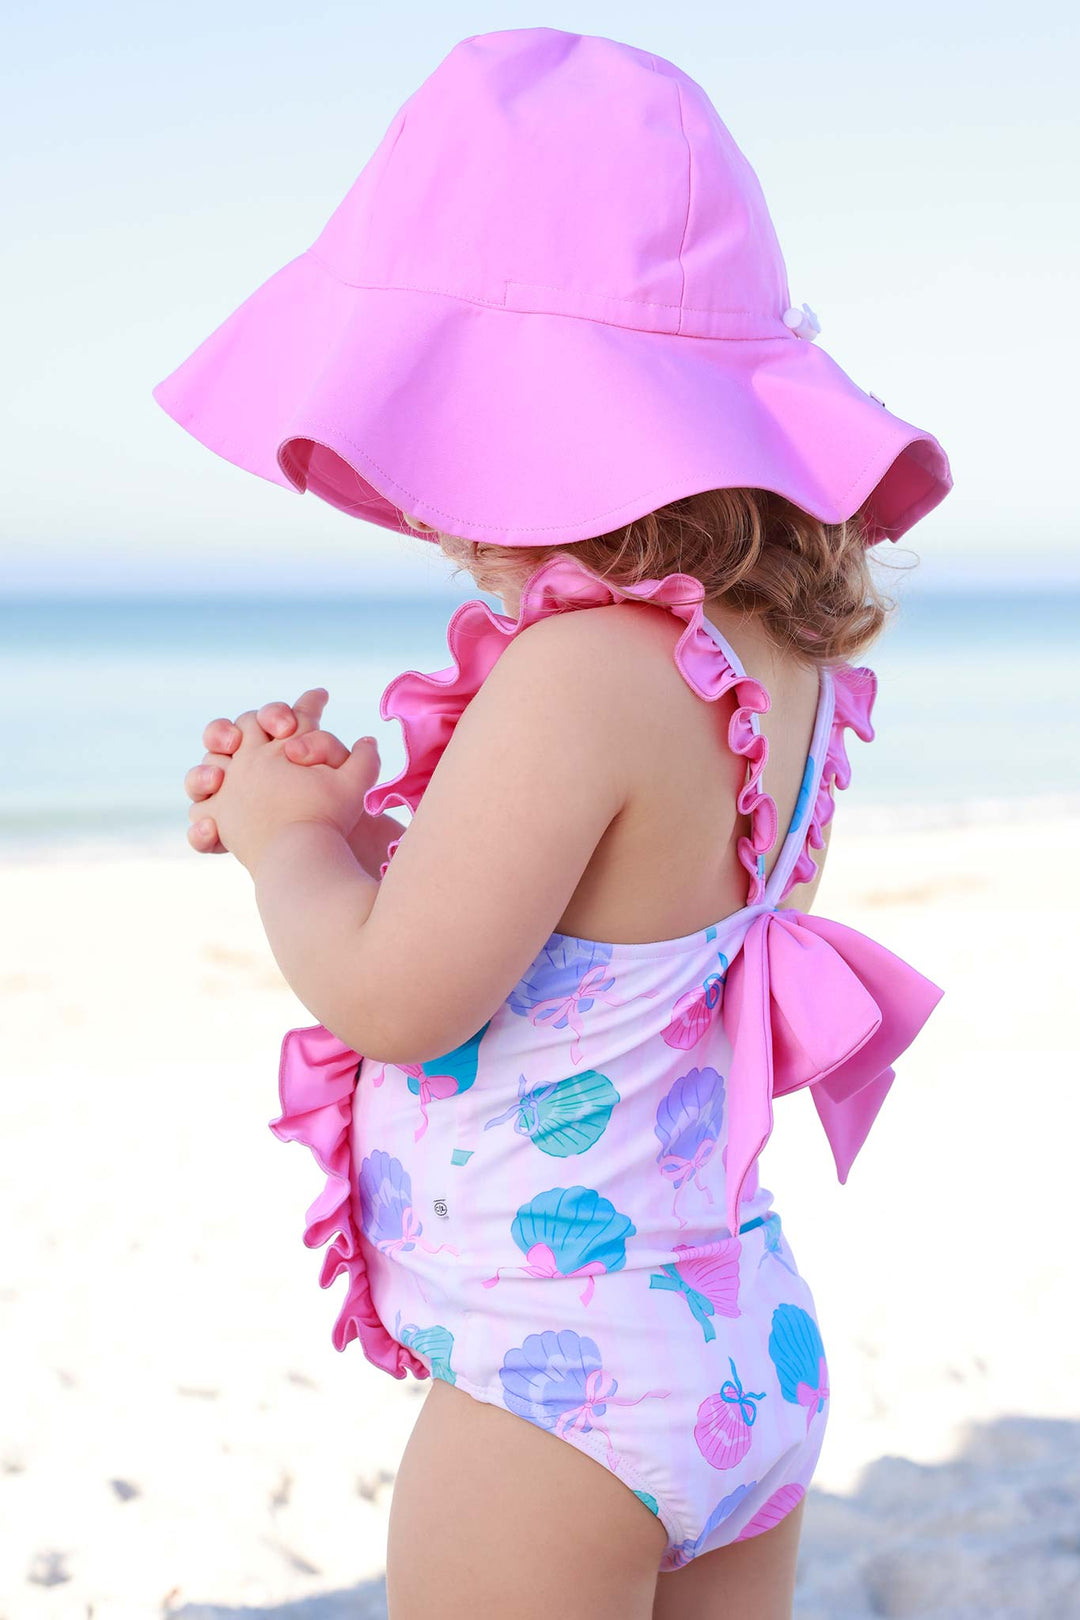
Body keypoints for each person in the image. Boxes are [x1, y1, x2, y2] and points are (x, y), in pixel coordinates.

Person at [161, 28, 952, 1620]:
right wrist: (369, 832)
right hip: (735, 1340)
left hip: (557, 1390)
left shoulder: (580, 668)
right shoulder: (764, 665)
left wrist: (286, 839)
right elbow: (604, 948)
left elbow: (398, 998)